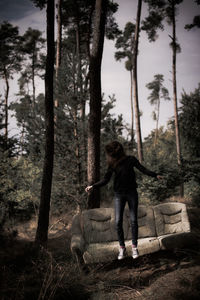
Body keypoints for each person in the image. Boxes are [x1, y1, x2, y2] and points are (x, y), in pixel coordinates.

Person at [85, 141, 162, 260]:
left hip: (131, 193)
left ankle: (134, 247)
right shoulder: (112, 164)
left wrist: (155, 175)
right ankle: (122, 247)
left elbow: (143, 169)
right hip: (119, 195)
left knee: (133, 220)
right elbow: (106, 180)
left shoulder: (131, 159)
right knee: (118, 221)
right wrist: (93, 186)